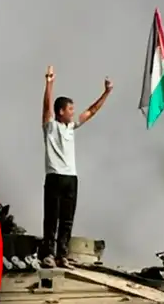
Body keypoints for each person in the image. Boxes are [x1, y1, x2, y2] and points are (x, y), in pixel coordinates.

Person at [38, 65, 112, 268]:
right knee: (51, 217)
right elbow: (46, 108)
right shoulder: (51, 127)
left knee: (67, 219)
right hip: (54, 175)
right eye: (70, 109)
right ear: (61, 111)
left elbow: (91, 111)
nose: (73, 112)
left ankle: (62, 254)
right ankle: (48, 254)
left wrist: (106, 92)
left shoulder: (71, 127)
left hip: (71, 177)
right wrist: (49, 83)